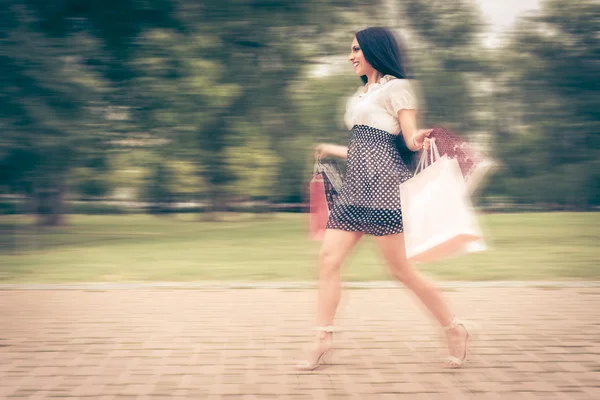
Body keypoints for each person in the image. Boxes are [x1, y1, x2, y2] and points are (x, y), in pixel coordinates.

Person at [296, 27, 471, 371]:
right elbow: (367, 149)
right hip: (354, 191)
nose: (350, 56)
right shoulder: (361, 95)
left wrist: (419, 138)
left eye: (356, 49)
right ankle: (322, 339)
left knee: (401, 270)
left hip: (385, 192)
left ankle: (455, 329)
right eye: (350, 50)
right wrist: (334, 149)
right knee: (328, 260)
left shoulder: (398, 89)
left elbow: (405, 141)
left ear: (374, 51)